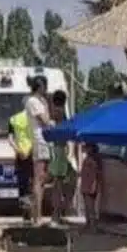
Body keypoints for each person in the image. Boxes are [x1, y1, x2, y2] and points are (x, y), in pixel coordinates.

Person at [24, 76, 53, 224]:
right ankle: (37, 216)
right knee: (38, 179)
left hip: (44, 142)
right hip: (40, 141)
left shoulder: (39, 101)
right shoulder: (33, 102)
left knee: (42, 180)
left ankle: (38, 213)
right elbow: (45, 121)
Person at [48, 90, 73, 223]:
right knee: (58, 183)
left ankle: (57, 212)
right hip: (59, 149)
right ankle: (56, 213)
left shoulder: (54, 113)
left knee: (59, 183)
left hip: (58, 149)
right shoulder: (60, 113)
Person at [7, 109, 35, 220]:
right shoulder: (35, 118)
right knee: (34, 182)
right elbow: (35, 137)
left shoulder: (14, 119)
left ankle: (25, 210)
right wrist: (30, 150)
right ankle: (33, 210)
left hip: (20, 155)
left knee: (22, 183)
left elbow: (10, 139)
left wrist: (18, 150)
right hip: (33, 153)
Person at [79, 143, 102, 232]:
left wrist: (94, 186)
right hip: (85, 185)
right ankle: (88, 224)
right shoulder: (87, 159)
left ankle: (93, 226)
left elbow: (97, 175)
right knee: (87, 207)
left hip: (90, 186)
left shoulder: (94, 160)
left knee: (90, 207)